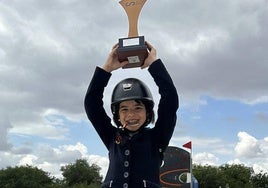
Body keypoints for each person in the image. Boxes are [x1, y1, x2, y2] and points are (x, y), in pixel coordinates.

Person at [84, 42, 179, 188]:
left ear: (147, 112)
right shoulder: (111, 138)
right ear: (117, 114)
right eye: (124, 109)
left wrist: (154, 65)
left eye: (137, 107)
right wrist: (107, 68)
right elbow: (92, 105)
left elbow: (170, 100)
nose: (131, 114)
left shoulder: (158, 137)